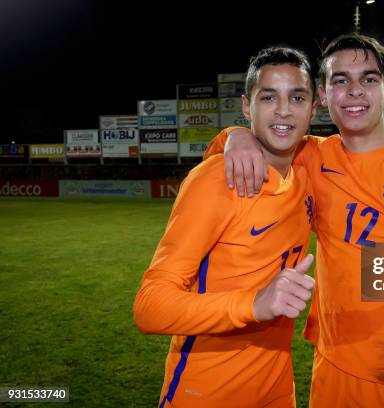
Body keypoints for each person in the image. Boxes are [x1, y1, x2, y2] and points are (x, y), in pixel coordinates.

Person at [206, 33, 384, 407]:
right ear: (323, 96)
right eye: (341, 80)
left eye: (369, 79)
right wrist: (236, 136)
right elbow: (218, 156)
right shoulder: (310, 155)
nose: (355, 91)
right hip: (328, 364)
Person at [134, 46, 319, 408]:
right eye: (269, 97)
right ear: (248, 106)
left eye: (296, 97)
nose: (283, 109)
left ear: (314, 108)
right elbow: (149, 307)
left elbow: (369, 157)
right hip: (204, 392)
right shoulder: (215, 181)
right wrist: (253, 303)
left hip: (278, 390)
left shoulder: (313, 169)